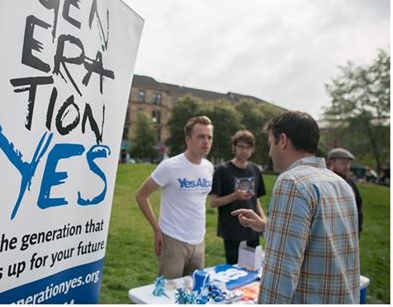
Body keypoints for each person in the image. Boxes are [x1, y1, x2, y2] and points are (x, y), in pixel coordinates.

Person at [232, 111, 360, 304]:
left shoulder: (292, 182)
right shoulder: (340, 184)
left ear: (282, 140)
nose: (269, 152)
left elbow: (281, 269)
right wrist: (267, 226)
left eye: (269, 143)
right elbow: (322, 239)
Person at [135, 116, 214, 279]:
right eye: (201, 137)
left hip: (199, 241)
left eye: (209, 137)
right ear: (188, 139)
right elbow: (141, 195)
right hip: (173, 241)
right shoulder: (170, 166)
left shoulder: (209, 167)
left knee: (194, 293)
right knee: (168, 294)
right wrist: (157, 229)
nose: (206, 141)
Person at [209, 130, 266, 265]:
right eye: (240, 146)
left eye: (248, 147)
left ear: (252, 149)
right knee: (233, 268)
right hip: (231, 228)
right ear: (234, 147)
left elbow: (256, 199)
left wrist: (263, 220)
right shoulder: (222, 170)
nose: (244, 151)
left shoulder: (255, 169)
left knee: (253, 267)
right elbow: (213, 202)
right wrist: (235, 196)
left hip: (252, 228)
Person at [327, 147, 363, 235]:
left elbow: (358, 207)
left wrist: (358, 229)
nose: (347, 167)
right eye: (343, 163)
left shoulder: (350, 183)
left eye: (348, 164)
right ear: (332, 162)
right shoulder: (325, 183)